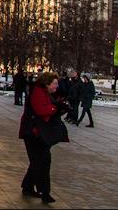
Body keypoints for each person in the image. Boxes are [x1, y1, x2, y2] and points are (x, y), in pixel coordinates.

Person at [19, 72, 69, 204]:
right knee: (43, 161)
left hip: (37, 132)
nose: (57, 86)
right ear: (47, 83)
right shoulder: (38, 91)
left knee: (38, 160)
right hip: (33, 132)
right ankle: (44, 192)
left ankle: (28, 187)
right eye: (55, 83)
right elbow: (41, 110)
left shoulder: (44, 92)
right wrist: (55, 108)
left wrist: (57, 106)